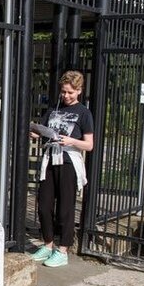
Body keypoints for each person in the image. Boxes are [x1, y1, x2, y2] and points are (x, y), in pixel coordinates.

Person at [29, 70, 94, 268]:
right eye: (63, 92)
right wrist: (37, 134)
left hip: (68, 161)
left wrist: (71, 141)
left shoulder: (83, 113)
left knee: (65, 207)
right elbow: (45, 130)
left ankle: (63, 249)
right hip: (50, 159)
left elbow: (89, 145)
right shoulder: (53, 109)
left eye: (70, 92)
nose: (66, 96)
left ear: (79, 91)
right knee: (44, 205)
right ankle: (48, 244)